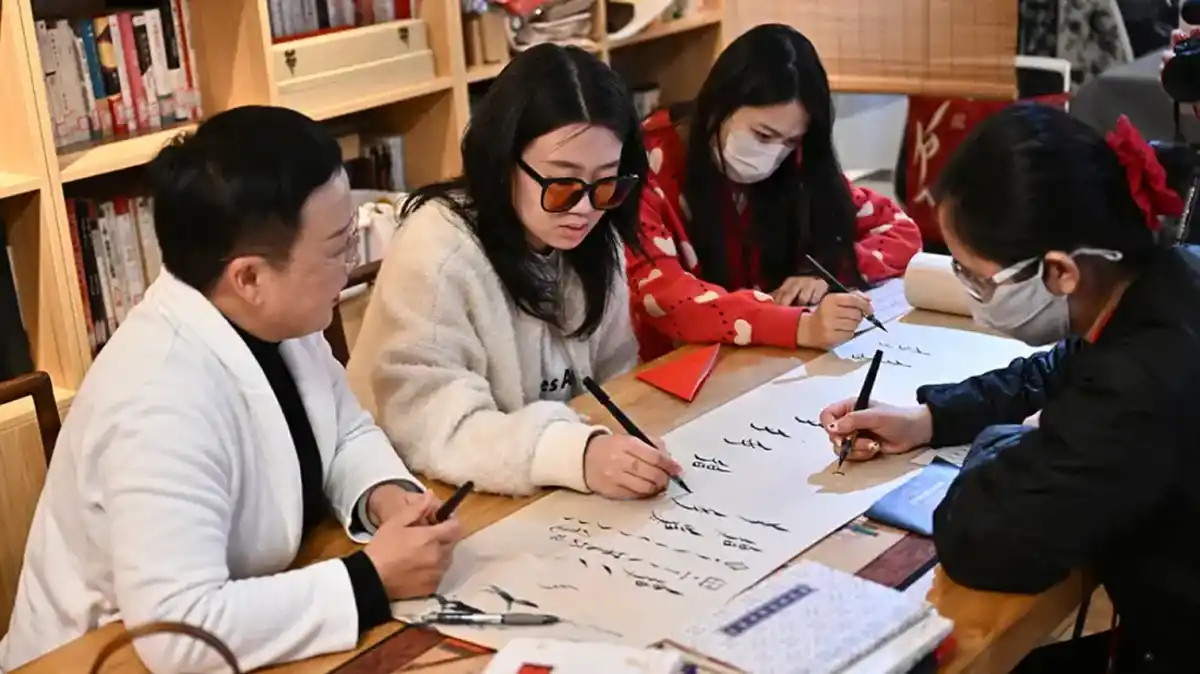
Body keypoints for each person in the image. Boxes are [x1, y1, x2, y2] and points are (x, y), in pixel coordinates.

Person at [0, 107, 463, 673]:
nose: (353, 263)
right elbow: (180, 633)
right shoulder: (156, 398)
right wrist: (369, 580)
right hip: (95, 659)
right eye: (339, 246)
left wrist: (384, 495)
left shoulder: (268, 316)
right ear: (249, 277)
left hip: (256, 619)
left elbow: (343, 432)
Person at [819, 104, 1197, 673]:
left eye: (974, 276)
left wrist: (1013, 438)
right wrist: (930, 419)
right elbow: (1058, 371)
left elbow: (980, 540)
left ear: (1060, 273)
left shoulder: (1139, 384)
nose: (970, 293)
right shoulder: (1165, 281)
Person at [346, 44, 682, 501]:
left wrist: (619, 444)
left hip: (547, 497)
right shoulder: (438, 250)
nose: (585, 209)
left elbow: (613, 378)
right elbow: (433, 427)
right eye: (562, 183)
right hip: (426, 497)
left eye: (606, 182)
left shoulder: (595, 238)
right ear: (503, 160)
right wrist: (577, 455)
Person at [629, 24, 923, 361]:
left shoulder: (797, 166)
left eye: (790, 141)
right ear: (718, 105)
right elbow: (666, 297)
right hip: (675, 369)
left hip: (765, 363)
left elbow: (901, 232)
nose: (773, 154)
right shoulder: (649, 165)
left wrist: (827, 269)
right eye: (762, 134)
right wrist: (798, 326)